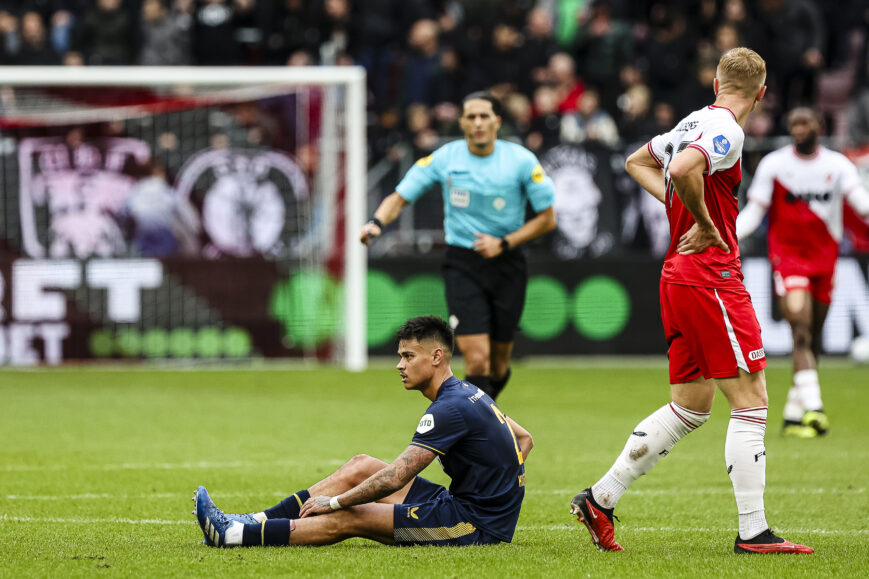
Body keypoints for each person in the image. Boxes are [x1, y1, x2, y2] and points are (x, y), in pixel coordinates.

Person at [570, 48, 813, 555]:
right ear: (762, 94)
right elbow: (682, 170)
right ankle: (754, 531)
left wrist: (679, 208)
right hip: (711, 276)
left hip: (677, 275)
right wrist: (702, 223)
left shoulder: (693, 119)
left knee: (691, 405)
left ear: (716, 82)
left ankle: (600, 498)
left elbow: (640, 161)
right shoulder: (729, 128)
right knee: (751, 400)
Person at [193, 315, 532, 548]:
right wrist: (500, 489)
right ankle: (251, 520)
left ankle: (234, 536)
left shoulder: (449, 408)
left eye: (408, 356)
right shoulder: (469, 392)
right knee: (361, 465)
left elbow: (395, 478)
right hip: (467, 506)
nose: (399, 365)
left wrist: (335, 502)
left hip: (472, 526)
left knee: (349, 515)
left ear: (437, 356)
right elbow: (524, 438)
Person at [359, 92, 556, 400]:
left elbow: (547, 219)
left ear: (497, 122)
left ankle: (483, 420)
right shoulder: (445, 158)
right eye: (471, 117)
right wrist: (376, 223)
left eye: (484, 116)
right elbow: (400, 197)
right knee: (477, 358)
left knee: (499, 364)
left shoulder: (520, 160)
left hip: (508, 263)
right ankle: (477, 438)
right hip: (462, 263)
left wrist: (503, 243)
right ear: (462, 122)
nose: (477, 123)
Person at [736, 107, 869, 438]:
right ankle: (815, 408)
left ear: (818, 127)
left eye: (804, 123)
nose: (797, 129)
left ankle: (795, 414)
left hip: (825, 258)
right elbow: (754, 212)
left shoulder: (836, 165)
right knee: (800, 326)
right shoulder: (775, 164)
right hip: (788, 258)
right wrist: (726, 236)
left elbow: (861, 204)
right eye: (793, 123)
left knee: (814, 336)